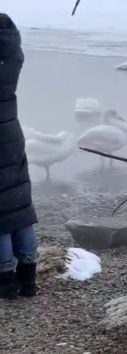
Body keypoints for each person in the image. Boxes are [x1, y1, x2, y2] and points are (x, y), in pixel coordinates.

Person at [0, 13, 37, 299]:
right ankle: (28, 279)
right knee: (18, 206)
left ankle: (5, 282)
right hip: (10, 131)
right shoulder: (11, 51)